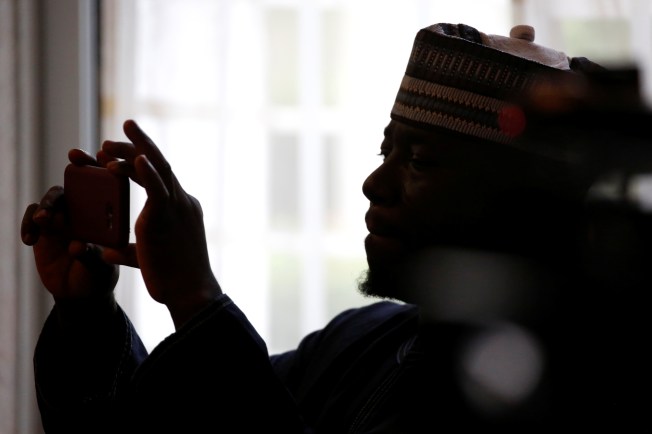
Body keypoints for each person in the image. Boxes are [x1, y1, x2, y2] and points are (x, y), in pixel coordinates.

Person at [21, 22, 650, 432]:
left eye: (421, 160)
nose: (375, 184)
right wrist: (88, 317)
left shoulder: (557, 390)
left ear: (526, 205)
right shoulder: (367, 339)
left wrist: (197, 300)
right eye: (386, 152)